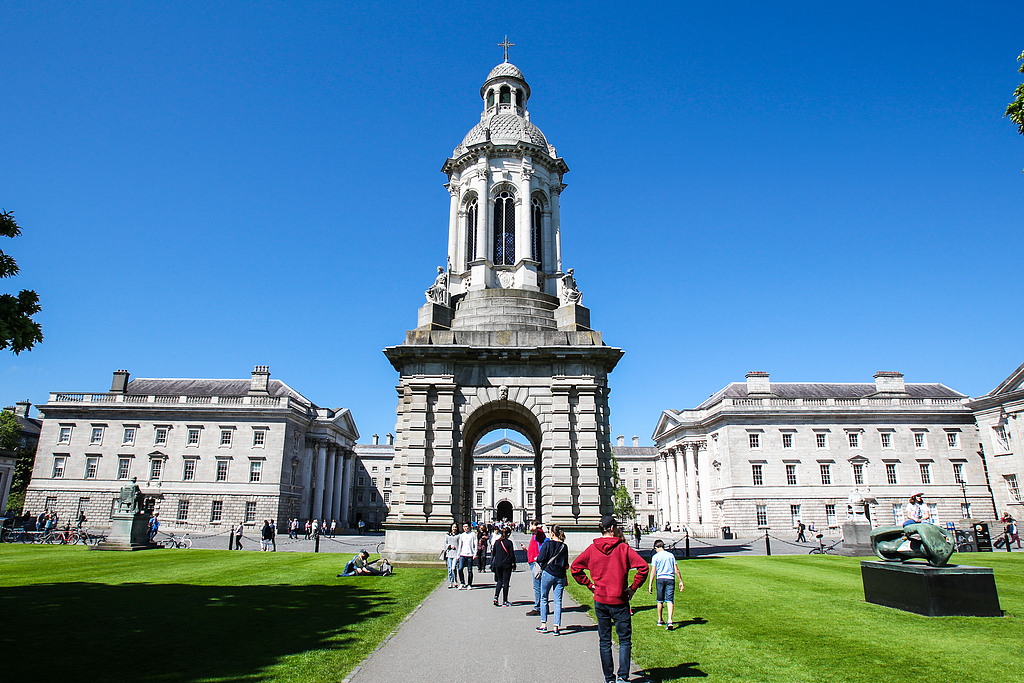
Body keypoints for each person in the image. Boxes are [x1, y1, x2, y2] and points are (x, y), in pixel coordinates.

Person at [571, 515, 649, 683]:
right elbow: (643, 567)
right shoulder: (623, 549)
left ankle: (609, 678)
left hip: (600, 600)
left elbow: (575, 568)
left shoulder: (592, 549)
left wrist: (590, 585)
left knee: (605, 640)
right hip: (620, 600)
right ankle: (622, 677)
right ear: (612, 529)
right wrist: (633, 588)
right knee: (624, 640)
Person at [535, 524, 570, 635]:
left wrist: (537, 558)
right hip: (560, 575)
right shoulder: (564, 546)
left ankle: (544, 625)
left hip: (548, 573)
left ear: (552, 533)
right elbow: (566, 564)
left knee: (544, 597)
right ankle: (556, 627)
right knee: (558, 601)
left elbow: (541, 558)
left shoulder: (548, 544)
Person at [647, 539, 684, 629]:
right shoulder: (670, 555)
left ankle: (660, 619)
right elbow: (676, 569)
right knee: (669, 599)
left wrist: (650, 584)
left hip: (660, 578)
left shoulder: (655, 557)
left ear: (656, 547)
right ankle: (670, 620)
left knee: (660, 599)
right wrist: (681, 581)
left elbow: (653, 572)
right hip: (670, 578)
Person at [521, 521, 546, 616]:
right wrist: (527, 550)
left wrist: (534, 526)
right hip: (533, 562)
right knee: (539, 586)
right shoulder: (535, 535)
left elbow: (534, 529)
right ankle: (543, 607)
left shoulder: (539, 533)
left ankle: (538, 608)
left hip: (536, 563)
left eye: (530, 524)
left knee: (538, 587)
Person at [491, 526, 516, 607]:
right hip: (506, 564)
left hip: (498, 564)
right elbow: (512, 555)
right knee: (506, 583)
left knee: (499, 581)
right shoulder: (509, 543)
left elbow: (494, 553)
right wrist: (514, 564)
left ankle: (496, 597)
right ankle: (505, 601)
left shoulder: (497, 542)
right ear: (508, 534)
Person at [457, 522, 476, 589]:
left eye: (466, 526)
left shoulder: (473, 534)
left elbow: (475, 544)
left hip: (470, 554)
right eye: (464, 527)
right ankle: (462, 582)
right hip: (463, 554)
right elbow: (460, 545)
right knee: (460, 568)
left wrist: (475, 554)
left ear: (469, 527)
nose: (465, 528)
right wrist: (458, 555)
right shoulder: (462, 535)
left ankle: (469, 584)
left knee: (469, 570)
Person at [443, 523, 460, 589]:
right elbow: (445, 544)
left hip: (455, 554)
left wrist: (459, 554)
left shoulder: (459, 536)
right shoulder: (447, 536)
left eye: (455, 527)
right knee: (449, 569)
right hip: (449, 554)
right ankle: (451, 582)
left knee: (453, 568)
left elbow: (460, 545)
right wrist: (450, 546)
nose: (454, 528)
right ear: (451, 528)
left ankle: (455, 580)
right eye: (453, 527)